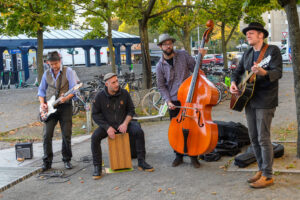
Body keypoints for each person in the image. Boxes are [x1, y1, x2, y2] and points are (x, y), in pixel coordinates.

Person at [230, 22, 282, 188]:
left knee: (263, 138)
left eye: (251, 33)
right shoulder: (247, 53)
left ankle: (268, 175)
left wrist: (263, 72)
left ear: (261, 35)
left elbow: (277, 72)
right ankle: (261, 168)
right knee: (253, 138)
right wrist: (233, 83)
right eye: (247, 33)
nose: (248, 35)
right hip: (249, 100)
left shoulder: (272, 51)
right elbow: (237, 72)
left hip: (266, 100)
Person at [156, 33, 206, 168]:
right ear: (161, 46)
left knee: (193, 128)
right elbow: (161, 86)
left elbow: (196, 68)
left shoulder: (183, 55)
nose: (168, 46)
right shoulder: (159, 66)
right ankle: (178, 155)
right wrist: (168, 101)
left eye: (170, 43)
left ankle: (194, 156)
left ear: (172, 44)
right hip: (174, 101)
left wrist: (201, 56)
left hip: (189, 98)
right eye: (165, 44)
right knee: (176, 130)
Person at [91, 73, 154, 180]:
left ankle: (141, 162)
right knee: (94, 137)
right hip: (108, 126)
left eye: (117, 81)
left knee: (139, 132)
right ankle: (97, 166)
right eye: (113, 82)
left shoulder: (124, 93)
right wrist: (107, 127)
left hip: (123, 124)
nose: (117, 84)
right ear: (107, 84)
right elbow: (95, 115)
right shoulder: (100, 96)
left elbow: (131, 110)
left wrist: (125, 123)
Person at [38, 51, 77, 171]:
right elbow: (41, 92)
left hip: (65, 106)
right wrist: (43, 104)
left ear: (60, 61)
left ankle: (67, 159)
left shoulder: (69, 72)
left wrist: (66, 97)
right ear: (48, 63)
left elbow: (75, 90)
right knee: (46, 134)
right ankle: (47, 161)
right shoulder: (46, 74)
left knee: (66, 134)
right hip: (50, 107)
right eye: (52, 64)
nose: (54, 66)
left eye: (56, 63)